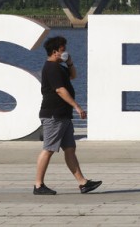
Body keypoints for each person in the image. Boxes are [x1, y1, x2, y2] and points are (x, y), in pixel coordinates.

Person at [34, 36, 102, 195]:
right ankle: (38, 185)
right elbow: (60, 90)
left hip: (63, 115)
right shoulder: (51, 68)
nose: (65, 52)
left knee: (70, 149)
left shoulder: (59, 67)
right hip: (54, 115)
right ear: (54, 52)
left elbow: (73, 76)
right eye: (63, 50)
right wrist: (77, 107)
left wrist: (69, 61)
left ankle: (83, 183)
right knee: (48, 149)